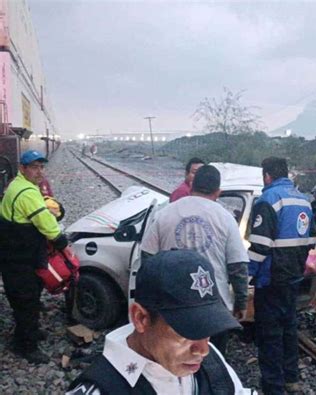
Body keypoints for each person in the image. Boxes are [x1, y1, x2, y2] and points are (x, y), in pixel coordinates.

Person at [67, 250, 252, 394]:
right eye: (187, 333)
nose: (203, 350)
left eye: (208, 330)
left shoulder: (212, 361)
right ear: (140, 318)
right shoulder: (102, 389)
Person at [141, 165, 249, 355]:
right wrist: (241, 302)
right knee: (211, 356)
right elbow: (237, 266)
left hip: (172, 302)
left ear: (191, 186)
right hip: (213, 304)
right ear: (218, 192)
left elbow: (147, 259)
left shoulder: (165, 213)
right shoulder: (225, 217)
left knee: (173, 356)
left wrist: (149, 302)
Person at [248, 157, 316, 395]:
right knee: (289, 328)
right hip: (293, 279)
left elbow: (260, 247)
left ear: (267, 175)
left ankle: (273, 388)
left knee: (269, 336)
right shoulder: (304, 201)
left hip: (270, 280)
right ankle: (291, 379)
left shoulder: (269, 200)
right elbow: (311, 241)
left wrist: (246, 276)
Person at [0, 150, 68, 364]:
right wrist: (61, 241)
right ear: (23, 168)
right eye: (34, 167)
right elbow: (45, 223)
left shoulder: (17, 184)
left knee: (26, 298)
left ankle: (28, 332)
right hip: (19, 259)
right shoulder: (27, 192)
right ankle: (26, 346)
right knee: (26, 300)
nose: (39, 171)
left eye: (41, 167)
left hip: (15, 255)